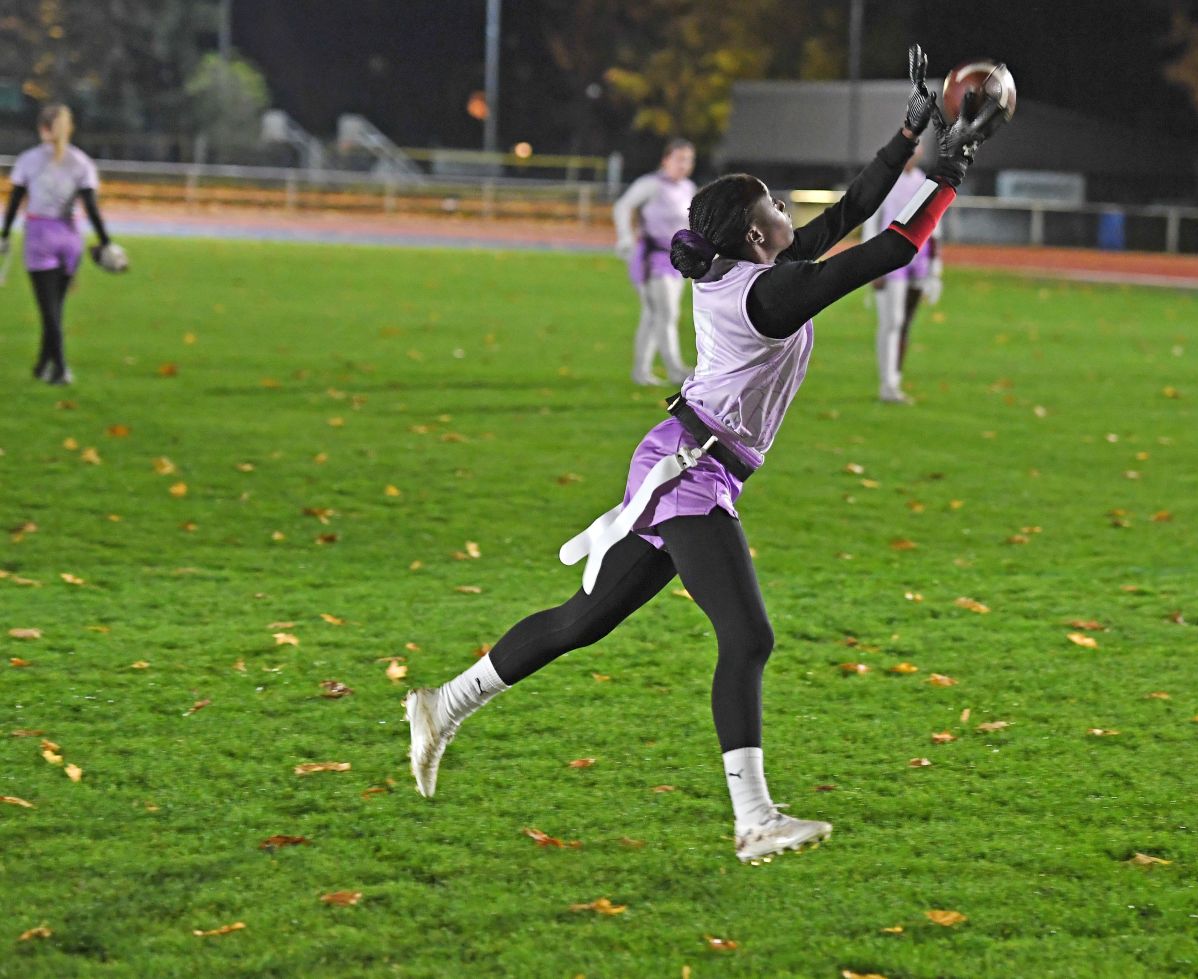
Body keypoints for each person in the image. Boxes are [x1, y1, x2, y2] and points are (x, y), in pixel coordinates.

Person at [406, 46, 1007, 865]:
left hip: (687, 456)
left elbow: (856, 208)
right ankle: (754, 818)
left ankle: (443, 704)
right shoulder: (769, 290)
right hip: (691, 471)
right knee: (748, 636)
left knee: (585, 619)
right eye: (780, 207)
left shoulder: (754, 269)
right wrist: (951, 171)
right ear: (761, 233)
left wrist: (909, 134)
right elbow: (890, 245)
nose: (796, 213)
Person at [1, 104, 115, 386]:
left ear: (42, 129)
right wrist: (106, 242)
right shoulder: (82, 162)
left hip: (40, 235)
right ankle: (42, 366)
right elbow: (91, 206)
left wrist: (3, 235)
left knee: (49, 310)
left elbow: (15, 200)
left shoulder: (29, 160)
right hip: (70, 236)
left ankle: (61, 368)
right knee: (55, 307)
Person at [863, 143, 944, 403]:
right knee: (892, 321)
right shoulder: (887, 181)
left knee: (905, 323)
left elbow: (935, 227)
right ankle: (888, 384)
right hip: (890, 258)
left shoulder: (925, 182)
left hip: (917, 259)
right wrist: (871, 266)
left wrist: (934, 268)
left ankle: (894, 379)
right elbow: (871, 223)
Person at [613, 138, 696, 386]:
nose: (684, 165)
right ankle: (675, 369)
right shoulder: (651, 184)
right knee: (666, 313)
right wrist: (626, 236)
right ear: (666, 160)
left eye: (689, 160)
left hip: (676, 258)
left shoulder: (687, 187)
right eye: (679, 159)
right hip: (652, 257)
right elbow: (622, 206)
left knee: (653, 315)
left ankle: (641, 372)